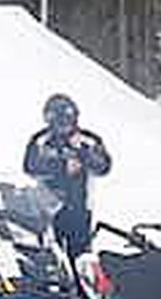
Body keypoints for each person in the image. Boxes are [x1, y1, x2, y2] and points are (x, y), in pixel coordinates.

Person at [22, 93, 111, 260]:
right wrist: (61, 166)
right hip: (46, 209)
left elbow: (104, 166)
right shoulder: (41, 140)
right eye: (58, 120)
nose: (63, 125)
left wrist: (84, 156)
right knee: (50, 257)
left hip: (80, 208)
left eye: (67, 119)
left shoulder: (88, 140)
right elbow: (30, 165)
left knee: (81, 258)